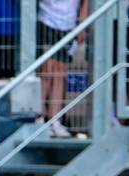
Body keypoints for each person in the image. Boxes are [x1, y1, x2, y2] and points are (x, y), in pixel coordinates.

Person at [37, 0, 88, 137]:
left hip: (69, 24)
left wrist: (82, 24)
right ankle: (39, 117)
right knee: (46, 71)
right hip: (46, 18)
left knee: (60, 73)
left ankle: (55, 121)